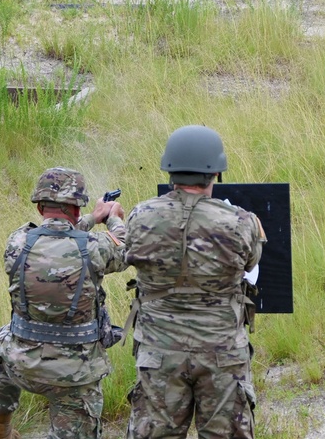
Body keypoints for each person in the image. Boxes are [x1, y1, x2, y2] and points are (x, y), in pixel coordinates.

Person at [125, 125, 266, 439]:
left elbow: (127, 253)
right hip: (222, 352)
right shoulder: (239, 222)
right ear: (215, 173)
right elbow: (251, 262)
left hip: (159, 351)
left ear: (171, 172)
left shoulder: (141, 216)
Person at [0, 167, 128, 439]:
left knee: (2, 339)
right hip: (73, 373)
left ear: (40, 207)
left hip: (20, 365)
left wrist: (90, 218)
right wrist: (112, 219)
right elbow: (123, 247)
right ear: (76, 209)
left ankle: (1, 428)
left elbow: (55, 235)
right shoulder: (94, 247)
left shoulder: (17, 242)